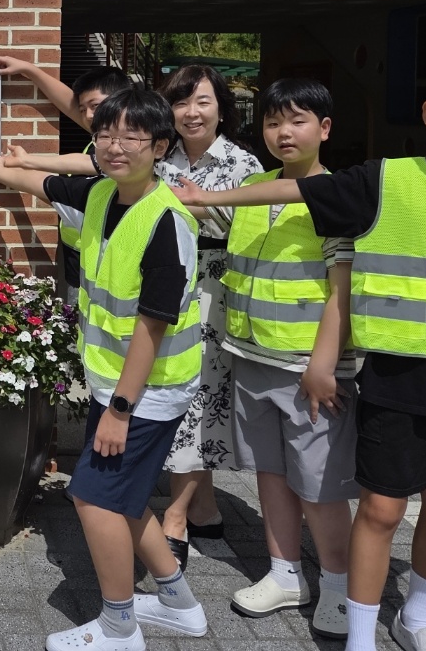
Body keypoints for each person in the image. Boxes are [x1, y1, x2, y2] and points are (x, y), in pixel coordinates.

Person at [172, 55, 426, 651]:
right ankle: (358, 629)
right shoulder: (386, 180)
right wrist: (213, 193)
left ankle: (416, 616)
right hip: (394, 374)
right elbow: (300, 186)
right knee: (378, 508)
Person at [0, 88, 209, 651]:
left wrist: (119, 412)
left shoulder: (166, 221)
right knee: (121, 498)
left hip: (147, 391)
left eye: (131, 136)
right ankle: (178, 603)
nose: (114, 146)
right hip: (116, 380)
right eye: (105, 134)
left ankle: (119, 626)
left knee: (94, 497)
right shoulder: (104, 194)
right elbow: (46, 184)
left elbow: (152, 326)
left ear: (160, 146)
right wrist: (1, 170)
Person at [216, 79, 356, 639]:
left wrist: (322, 364)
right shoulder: (254, 187)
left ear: (324, 129)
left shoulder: (339, 194)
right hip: (252, 356)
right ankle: (284, 573)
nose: (283, 132)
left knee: (319, 484)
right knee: (271, 473)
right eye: (274, 122)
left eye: (298, 121)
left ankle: (342, 588)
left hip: (308, 368)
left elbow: (341, 288)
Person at [153, 64, 263, 569]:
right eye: (180, 103)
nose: (191, 113)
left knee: (201, 400)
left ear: (222, 106)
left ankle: (175, 516)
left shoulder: (244, 165)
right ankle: (205, 505)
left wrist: (196, 208)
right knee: (184, 397)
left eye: (202, 101)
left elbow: (253, 235)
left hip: (216, 295)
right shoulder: (160, 158)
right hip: (165, 290)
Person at [0, 57, 134, 296]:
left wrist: (27, 161)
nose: (89, 115)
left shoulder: (130, 145)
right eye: (84, 109)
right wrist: (29, 69)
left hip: (109, 256)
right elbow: (70, 104)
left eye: (96, 106)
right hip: (78, 250)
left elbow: (91, 164)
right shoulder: (101, 135)